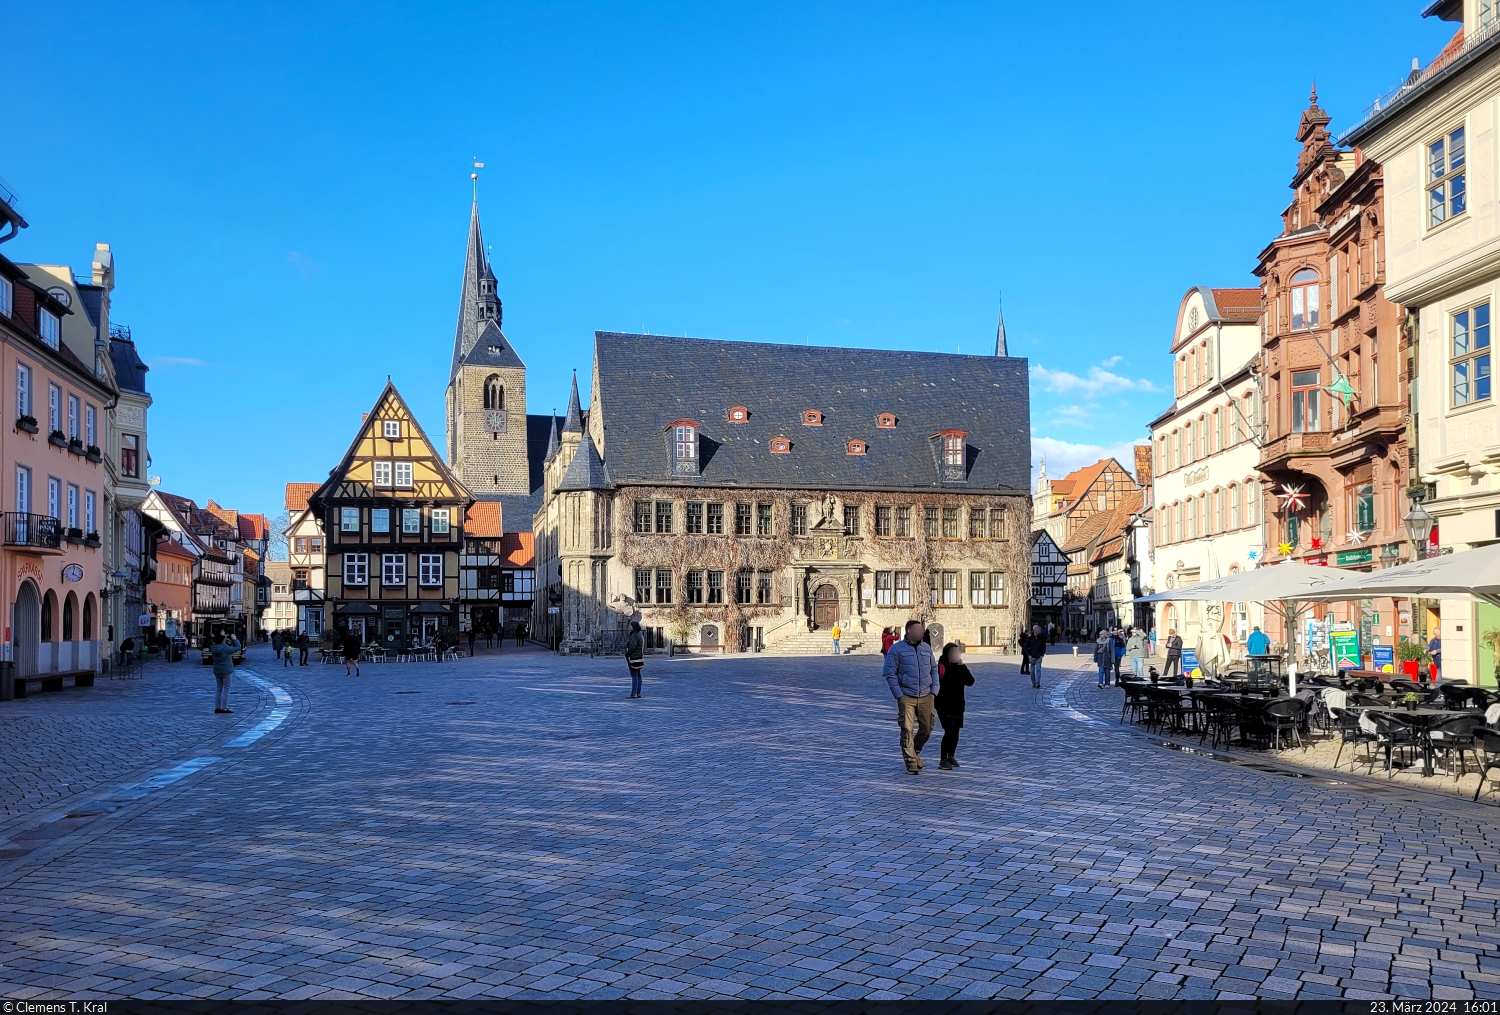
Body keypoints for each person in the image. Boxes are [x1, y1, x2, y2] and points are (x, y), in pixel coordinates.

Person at [883, 620, 938, 774]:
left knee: (927, 728)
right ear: (909, 631)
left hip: (926, 694)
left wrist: (934, 691)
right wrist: (899, 695)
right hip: (906, 695)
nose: (921, 632)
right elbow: (889, 672)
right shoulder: (896, 649)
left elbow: (934, 670)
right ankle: (910, 762)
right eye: (918, 630)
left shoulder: (926, 648)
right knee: (907, 729)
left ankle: (915, 752)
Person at [935, 642, 974, 771]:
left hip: (958, 704)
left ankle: (951, 755)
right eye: (954, 653)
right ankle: (943, 759)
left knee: (956, 731)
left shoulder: (960, 667)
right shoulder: (941, 667)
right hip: (944, 704)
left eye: (958, 653)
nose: (956, 655)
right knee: (949, 730)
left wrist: (962, 667)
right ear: (947, 654)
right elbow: (938, 683)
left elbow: (970, 682)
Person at [210, 631, 240, 714]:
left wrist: (223, 637)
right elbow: (237, 647)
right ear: (222, 640)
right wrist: (234, 639)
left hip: (217, 670)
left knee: (219, 689)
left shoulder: (213, 647)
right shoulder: (225, 648)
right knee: (226, 689)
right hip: (226, 670)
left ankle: (217, 707)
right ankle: (224, 708)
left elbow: (219, 642)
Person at [624, 620, 646, 698]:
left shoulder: (634, 635)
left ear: (634, 627)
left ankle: (634, 693)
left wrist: (627, 654)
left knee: (634, 676)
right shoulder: (640, 634)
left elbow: (632, 647)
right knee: (638, 675)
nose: (629, 628)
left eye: (630, 626)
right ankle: (638, 692)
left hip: (634, 658)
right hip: (639, 657)